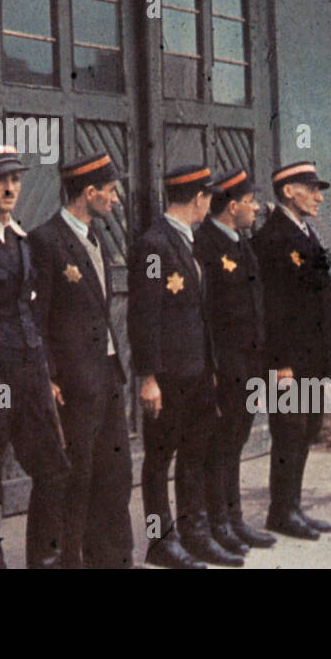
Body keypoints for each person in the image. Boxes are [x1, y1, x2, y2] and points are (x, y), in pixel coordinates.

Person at [0, 146, 69, 568]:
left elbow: (33, 312)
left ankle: (42, 559)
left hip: (28, 369)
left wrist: (47, 374)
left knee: (53, 467)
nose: (9, 188)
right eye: (1, 180)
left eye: (16, 180)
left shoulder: (21, 237)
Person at [129, 164, 241, 568]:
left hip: (196, 373)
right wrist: (147, 377)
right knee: (159, 461)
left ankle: (194, 533)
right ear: (198, 198)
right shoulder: (155, 246)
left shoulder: (188, 242)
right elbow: (144, 313)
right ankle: (161, 541)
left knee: (194, 454)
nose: (209, 204)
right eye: (208, 197)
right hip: (168, 377)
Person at [29, 152, 133, 569]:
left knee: (116, 474)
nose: (115, 200)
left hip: (107, 378)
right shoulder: (45, 241)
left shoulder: (95, 237)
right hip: (72, 385)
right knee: (75, 479)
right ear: (88, 193)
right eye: (109, 192)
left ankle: (111, 560)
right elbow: (37, 319)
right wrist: (49, 378)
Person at [252, 161, 331, 541]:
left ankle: (293, 506)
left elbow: (324, 305)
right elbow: (273, 308)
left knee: (307, 430)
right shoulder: (272, 239)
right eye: (311, 188)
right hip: (289, 363)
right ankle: (280, 511)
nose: (319, 197)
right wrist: (280, 363)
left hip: (313, 358)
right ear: (288, 191)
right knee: (289, 431)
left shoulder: (307, 234)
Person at [195, 167, 277, 556]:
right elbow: (206, 314)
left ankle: (235, 518)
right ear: (231, 207)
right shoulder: (206, 245)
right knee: (220, 445)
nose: (256, 208)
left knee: (236, 441)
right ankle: (218, 523)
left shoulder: (243, 244)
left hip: (248, 365)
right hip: (225, 366)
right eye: (250, 202)